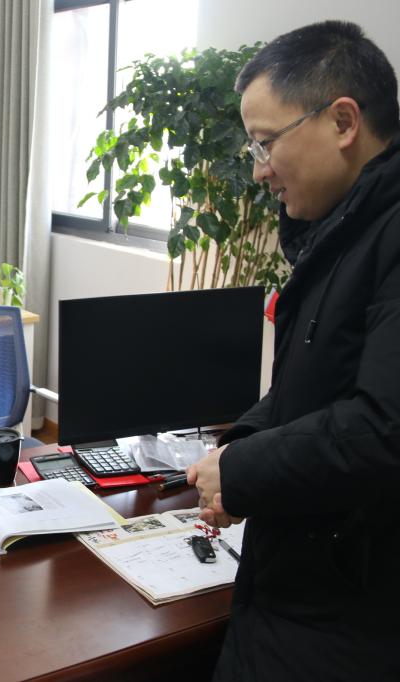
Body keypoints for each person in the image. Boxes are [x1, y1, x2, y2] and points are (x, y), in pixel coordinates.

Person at [187, 21, 400, 681]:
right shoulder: (340, 230)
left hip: (347, 620)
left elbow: (384, 428)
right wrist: (238, 450)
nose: (259, 169)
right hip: (296, 595)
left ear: (343, 121)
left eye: (266, 142)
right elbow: (311, 386)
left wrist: (246, 471)